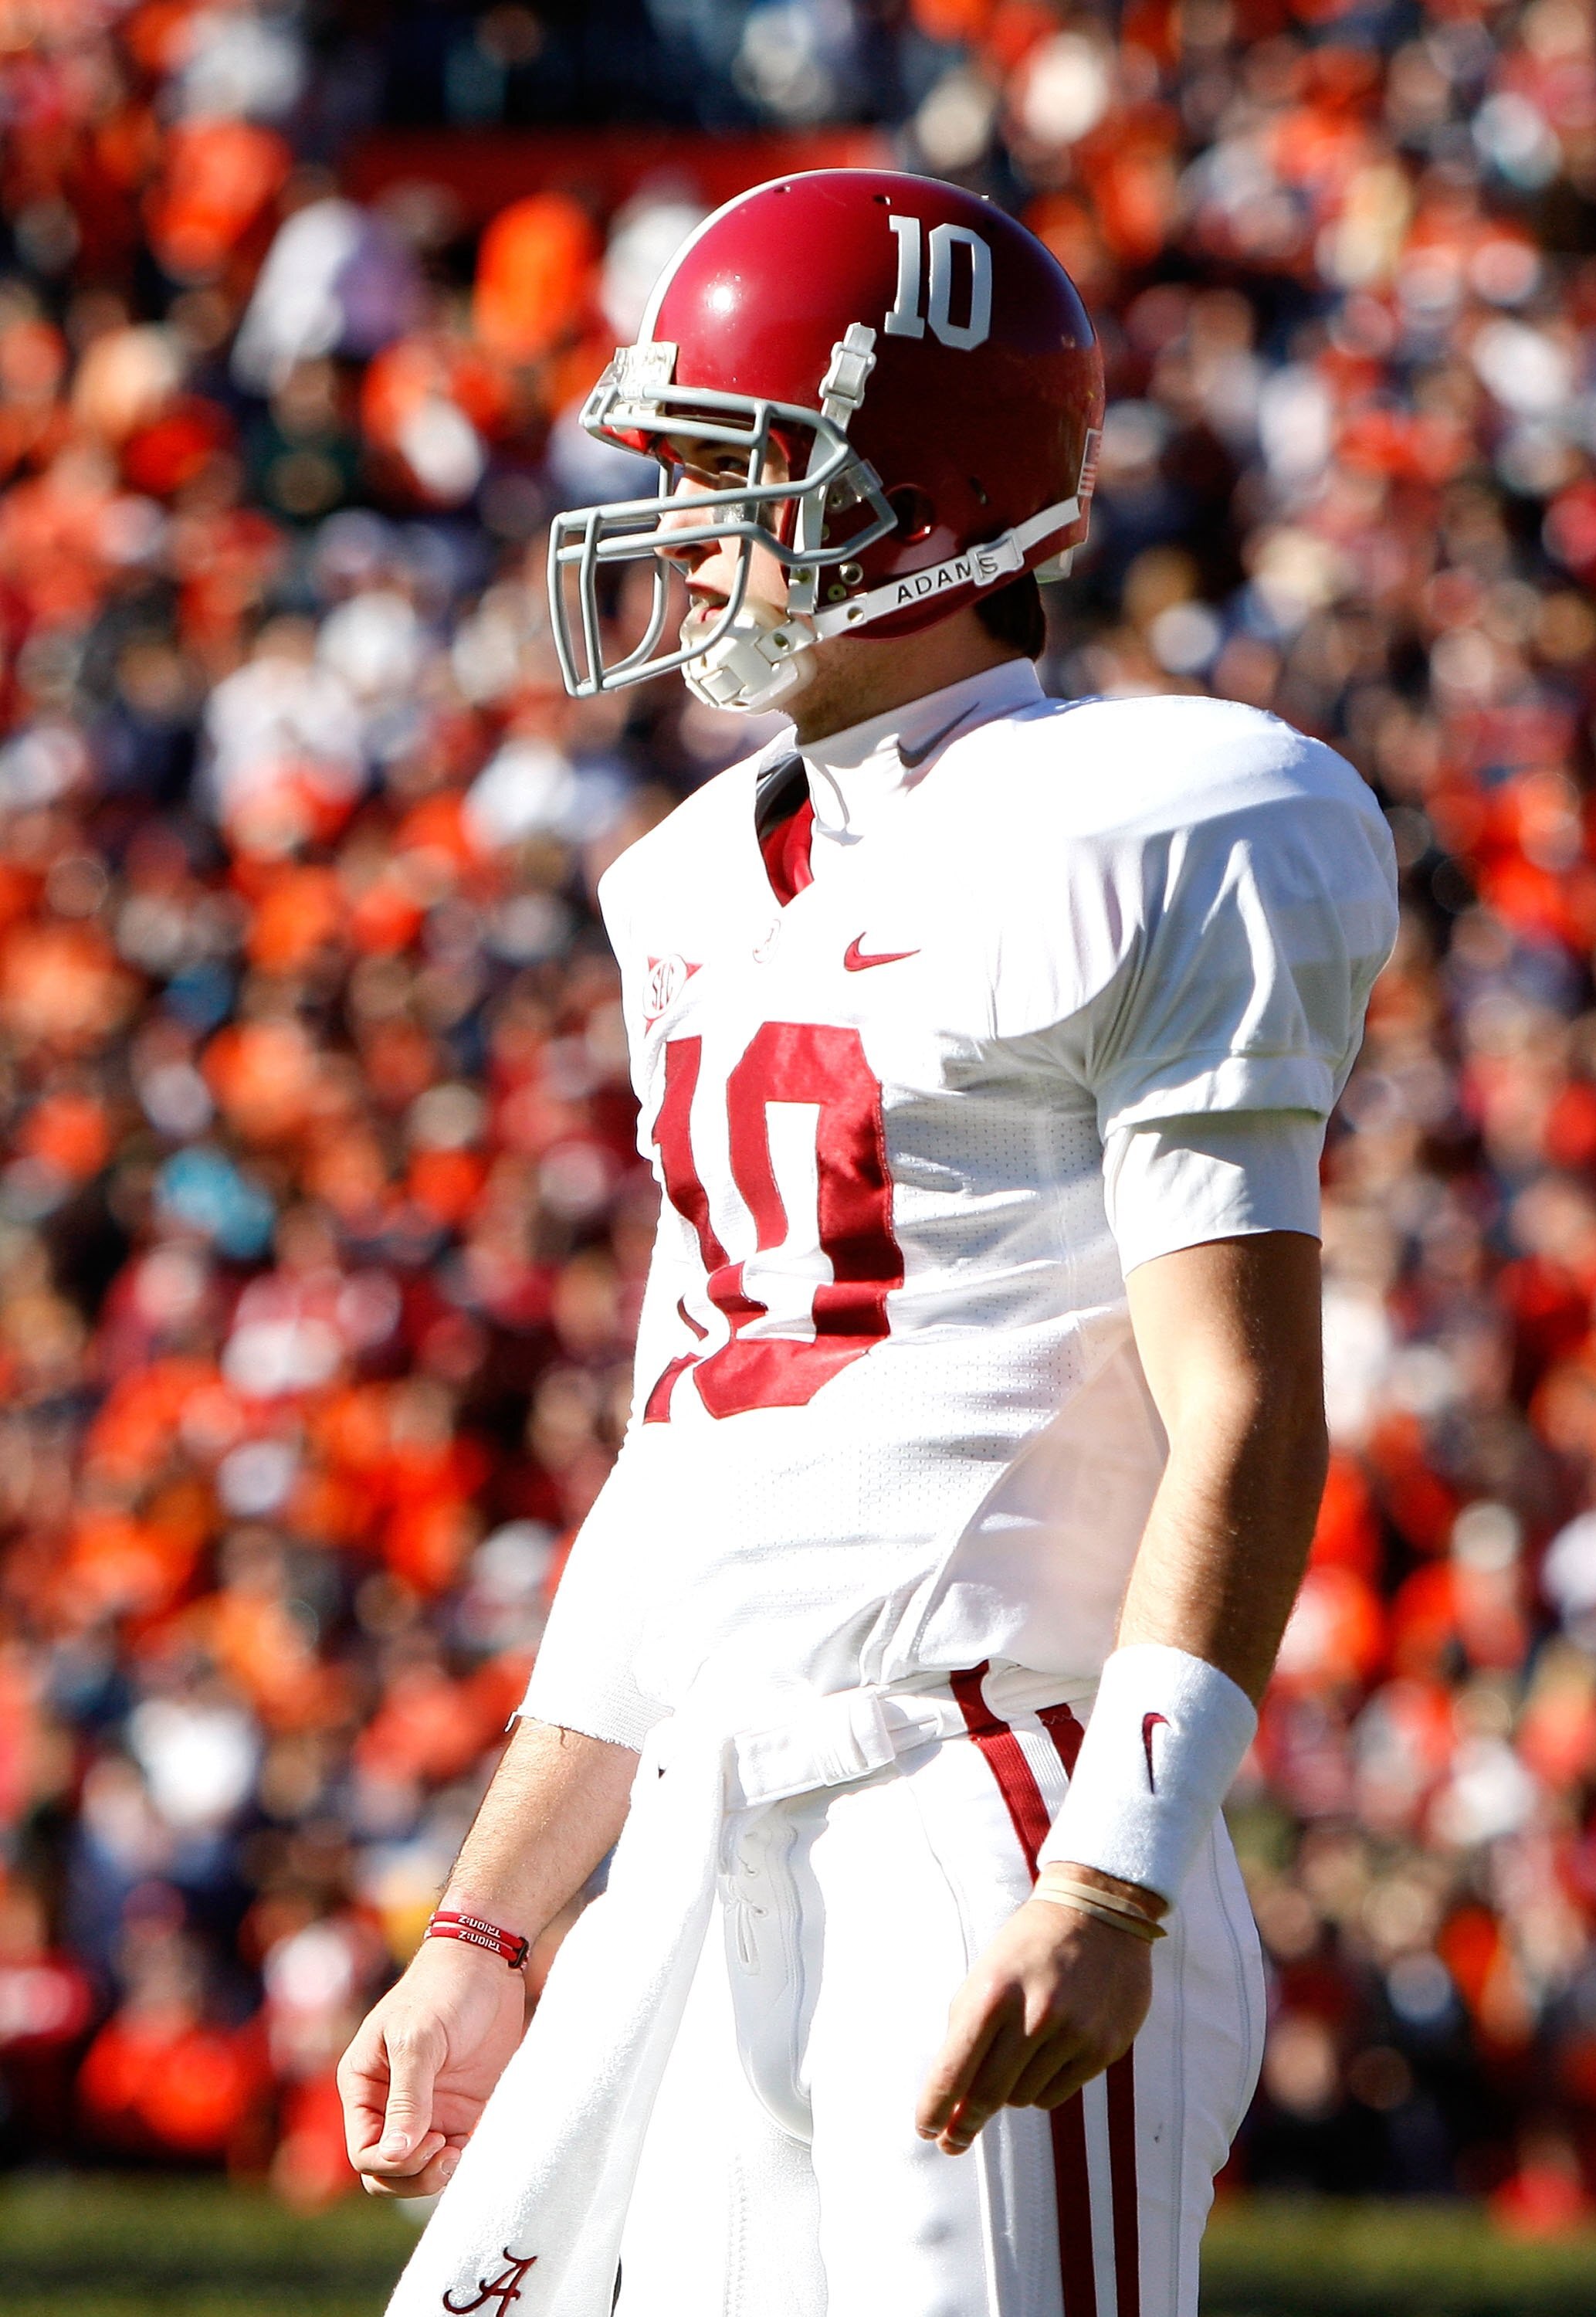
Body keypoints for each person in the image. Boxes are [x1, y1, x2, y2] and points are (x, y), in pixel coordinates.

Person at [339, 169, 1399, 2317]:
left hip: (981, 1800)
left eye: (740, 472)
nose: (691, 530)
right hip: (713, 1830)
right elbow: (688, 1451)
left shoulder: (1172, 816)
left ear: (920, 502)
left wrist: (1119, 1868)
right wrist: (484, 1930)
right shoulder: (689, 880)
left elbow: (1249, 1407)